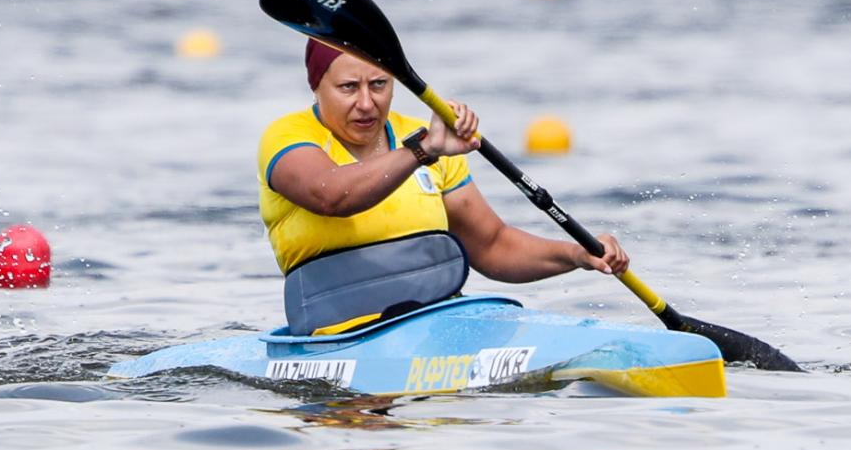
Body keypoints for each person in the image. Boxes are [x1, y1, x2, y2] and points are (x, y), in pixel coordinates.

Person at [257, 39, 629, 335]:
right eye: (349, 88)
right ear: (316, 86)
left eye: (379, 84)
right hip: (336, 340)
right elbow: (331, 194)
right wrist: (423, 150)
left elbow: (492, 245)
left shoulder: (424, 139)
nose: (367, 103)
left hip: (436, 326)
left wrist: (577, 255)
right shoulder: (288, 137)